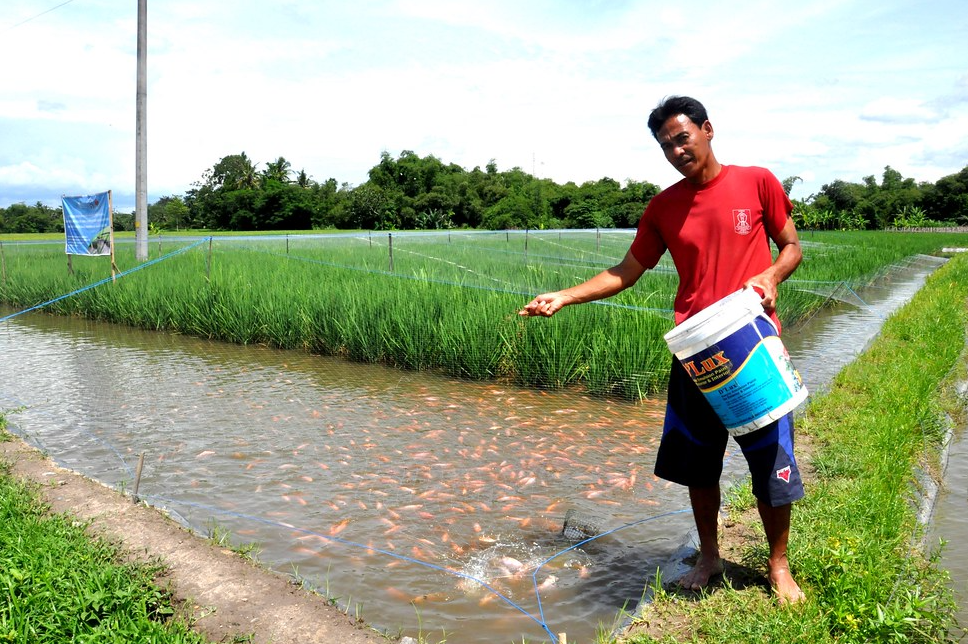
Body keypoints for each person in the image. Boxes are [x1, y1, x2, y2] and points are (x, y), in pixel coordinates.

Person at [519, 95, 806, 604]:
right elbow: (625, 271)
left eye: (682, 137)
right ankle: (710, 557)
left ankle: (778, 565)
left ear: (707, 130)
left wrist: (770, 275)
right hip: (696, 351)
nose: (676, 150)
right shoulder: (664, 207)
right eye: (665, 145)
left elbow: (791, 246)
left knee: (771, 460)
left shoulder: (757, 181)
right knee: (699, 464)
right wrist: (565, 296)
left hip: (752, 344)